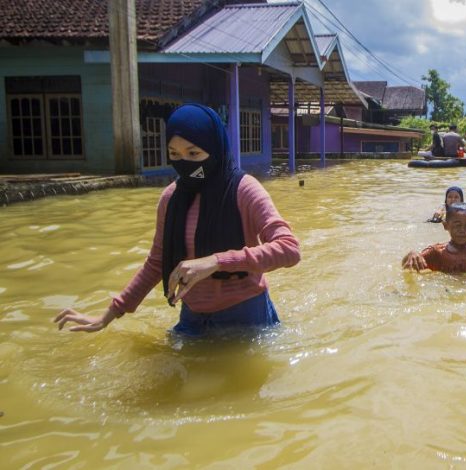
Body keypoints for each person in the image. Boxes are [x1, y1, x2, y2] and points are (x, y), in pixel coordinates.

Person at [54, 104, 301, 336]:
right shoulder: (171, 198)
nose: (184, 163)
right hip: (192, 318)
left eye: (193, 153)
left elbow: (289, 249)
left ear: (214, 148)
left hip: (246, 318)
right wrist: (108, 315)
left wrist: (216, 261)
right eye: (175, 154)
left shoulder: (243, 190)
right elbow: (156, 263)